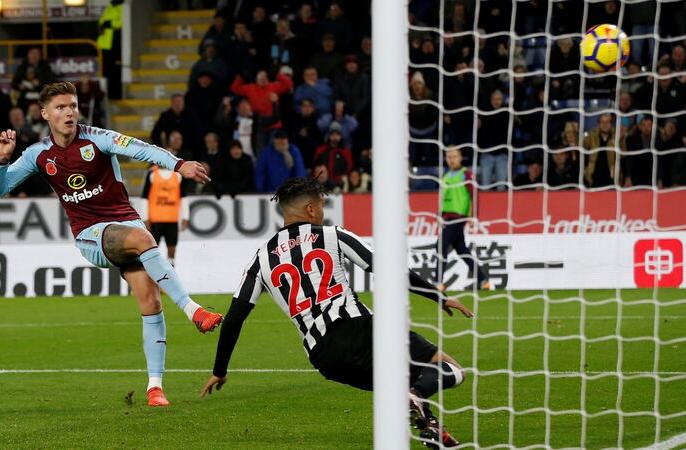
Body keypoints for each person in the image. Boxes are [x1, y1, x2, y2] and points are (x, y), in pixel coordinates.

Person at [0, 81, 223, 407]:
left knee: (150, 301)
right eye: (60, 107)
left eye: (72, 105)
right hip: (90, 235)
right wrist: (1, 160)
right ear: (45, 114)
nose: (69, 112)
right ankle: (193, 309)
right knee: (144, 239)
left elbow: (142, 149)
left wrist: (178, 164)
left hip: (125, 225)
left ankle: (155, 387)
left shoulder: (98, 138)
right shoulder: (38, 154)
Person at [200, 177, 473, 448]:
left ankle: (431, 429)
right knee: (448, 368)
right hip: (358, 329)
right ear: (310, 209)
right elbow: (386, 267)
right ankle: (419, 400)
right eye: (321, 206)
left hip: (324, 356)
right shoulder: (331, 235)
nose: (322, 212)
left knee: (401, 383)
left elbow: (234, 318)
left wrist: (220, 370)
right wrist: (438, 297)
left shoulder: (261, 258)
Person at [437, 146, 489, 291]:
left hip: (458, 216)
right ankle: (483, 279)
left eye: (454, 156)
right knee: (461, 249)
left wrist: (474, 216)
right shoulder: (446, 177)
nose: (451, 160)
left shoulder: (466, 174)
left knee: (441, 246)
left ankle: (437, 282)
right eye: (449, 157)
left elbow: (475, 195)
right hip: (447, 216)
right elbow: (443, 198)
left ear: (460, 158)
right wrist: (439, 214)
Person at [140, 145, 189, 267]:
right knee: (151, 247)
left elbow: (183, 197)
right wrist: (145, 218)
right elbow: (144, 198)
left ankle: (171, 269)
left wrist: (185, 217)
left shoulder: (178, 175)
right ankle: (152, 271)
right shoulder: (151, 174)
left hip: (171, 219)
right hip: (155, 220)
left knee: (172, 247)